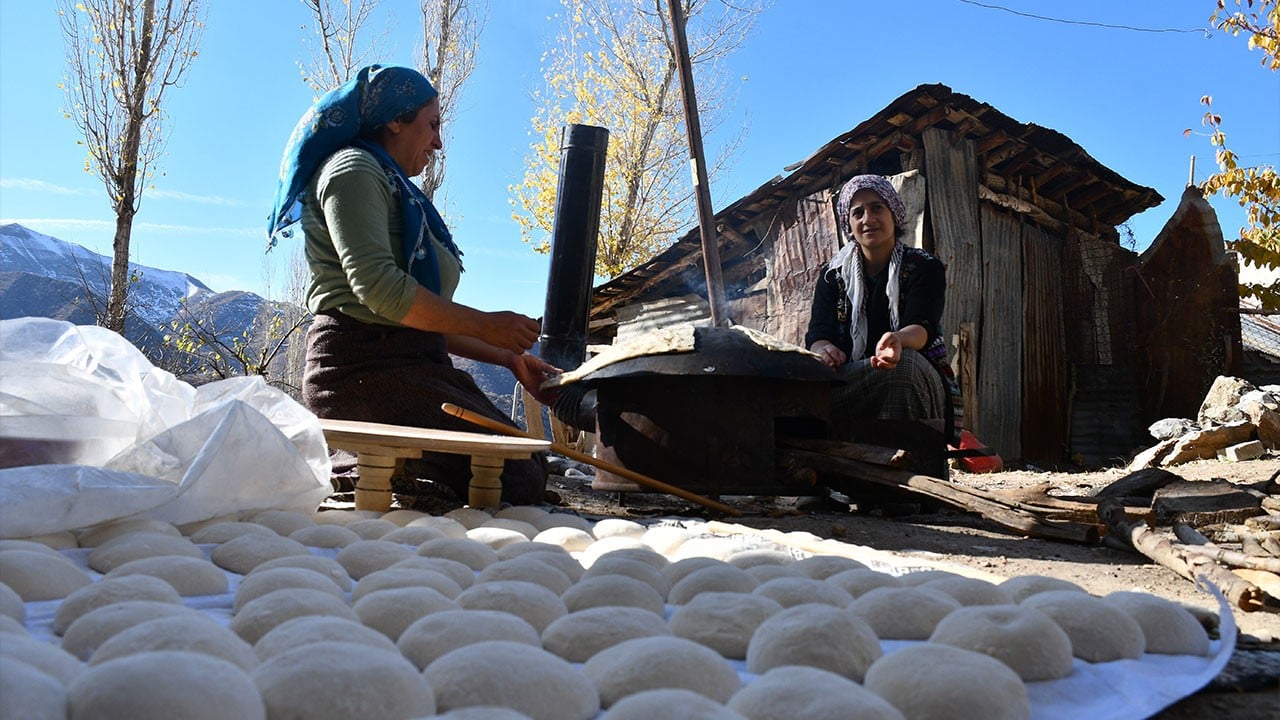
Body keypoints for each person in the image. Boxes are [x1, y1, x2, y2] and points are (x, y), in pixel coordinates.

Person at [267, 64, 558, 505]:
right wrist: (484, 324)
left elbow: (422, 318)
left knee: (528, 463)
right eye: (433, 125)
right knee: (512, 479)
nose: (439, 142)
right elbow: (380, 290)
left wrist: (509, 358)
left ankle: (392, 473)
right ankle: (360, 469)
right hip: (360, 371)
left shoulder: (394, 185)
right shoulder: (352, 171)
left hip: (411, 365)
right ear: (395, 120)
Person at [804, 174, 962, 442]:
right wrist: (823, 351)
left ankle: (911, 469)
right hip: (854, 377)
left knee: (903, 368)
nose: (868, 218)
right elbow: (818, 334)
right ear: (849, 224)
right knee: (797, 390)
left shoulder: (924, 267)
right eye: (858, 212)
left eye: (877, 207)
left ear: (894, 214)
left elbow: (922, 326)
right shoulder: (832, 277)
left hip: (913, 375)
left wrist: (898, 340)